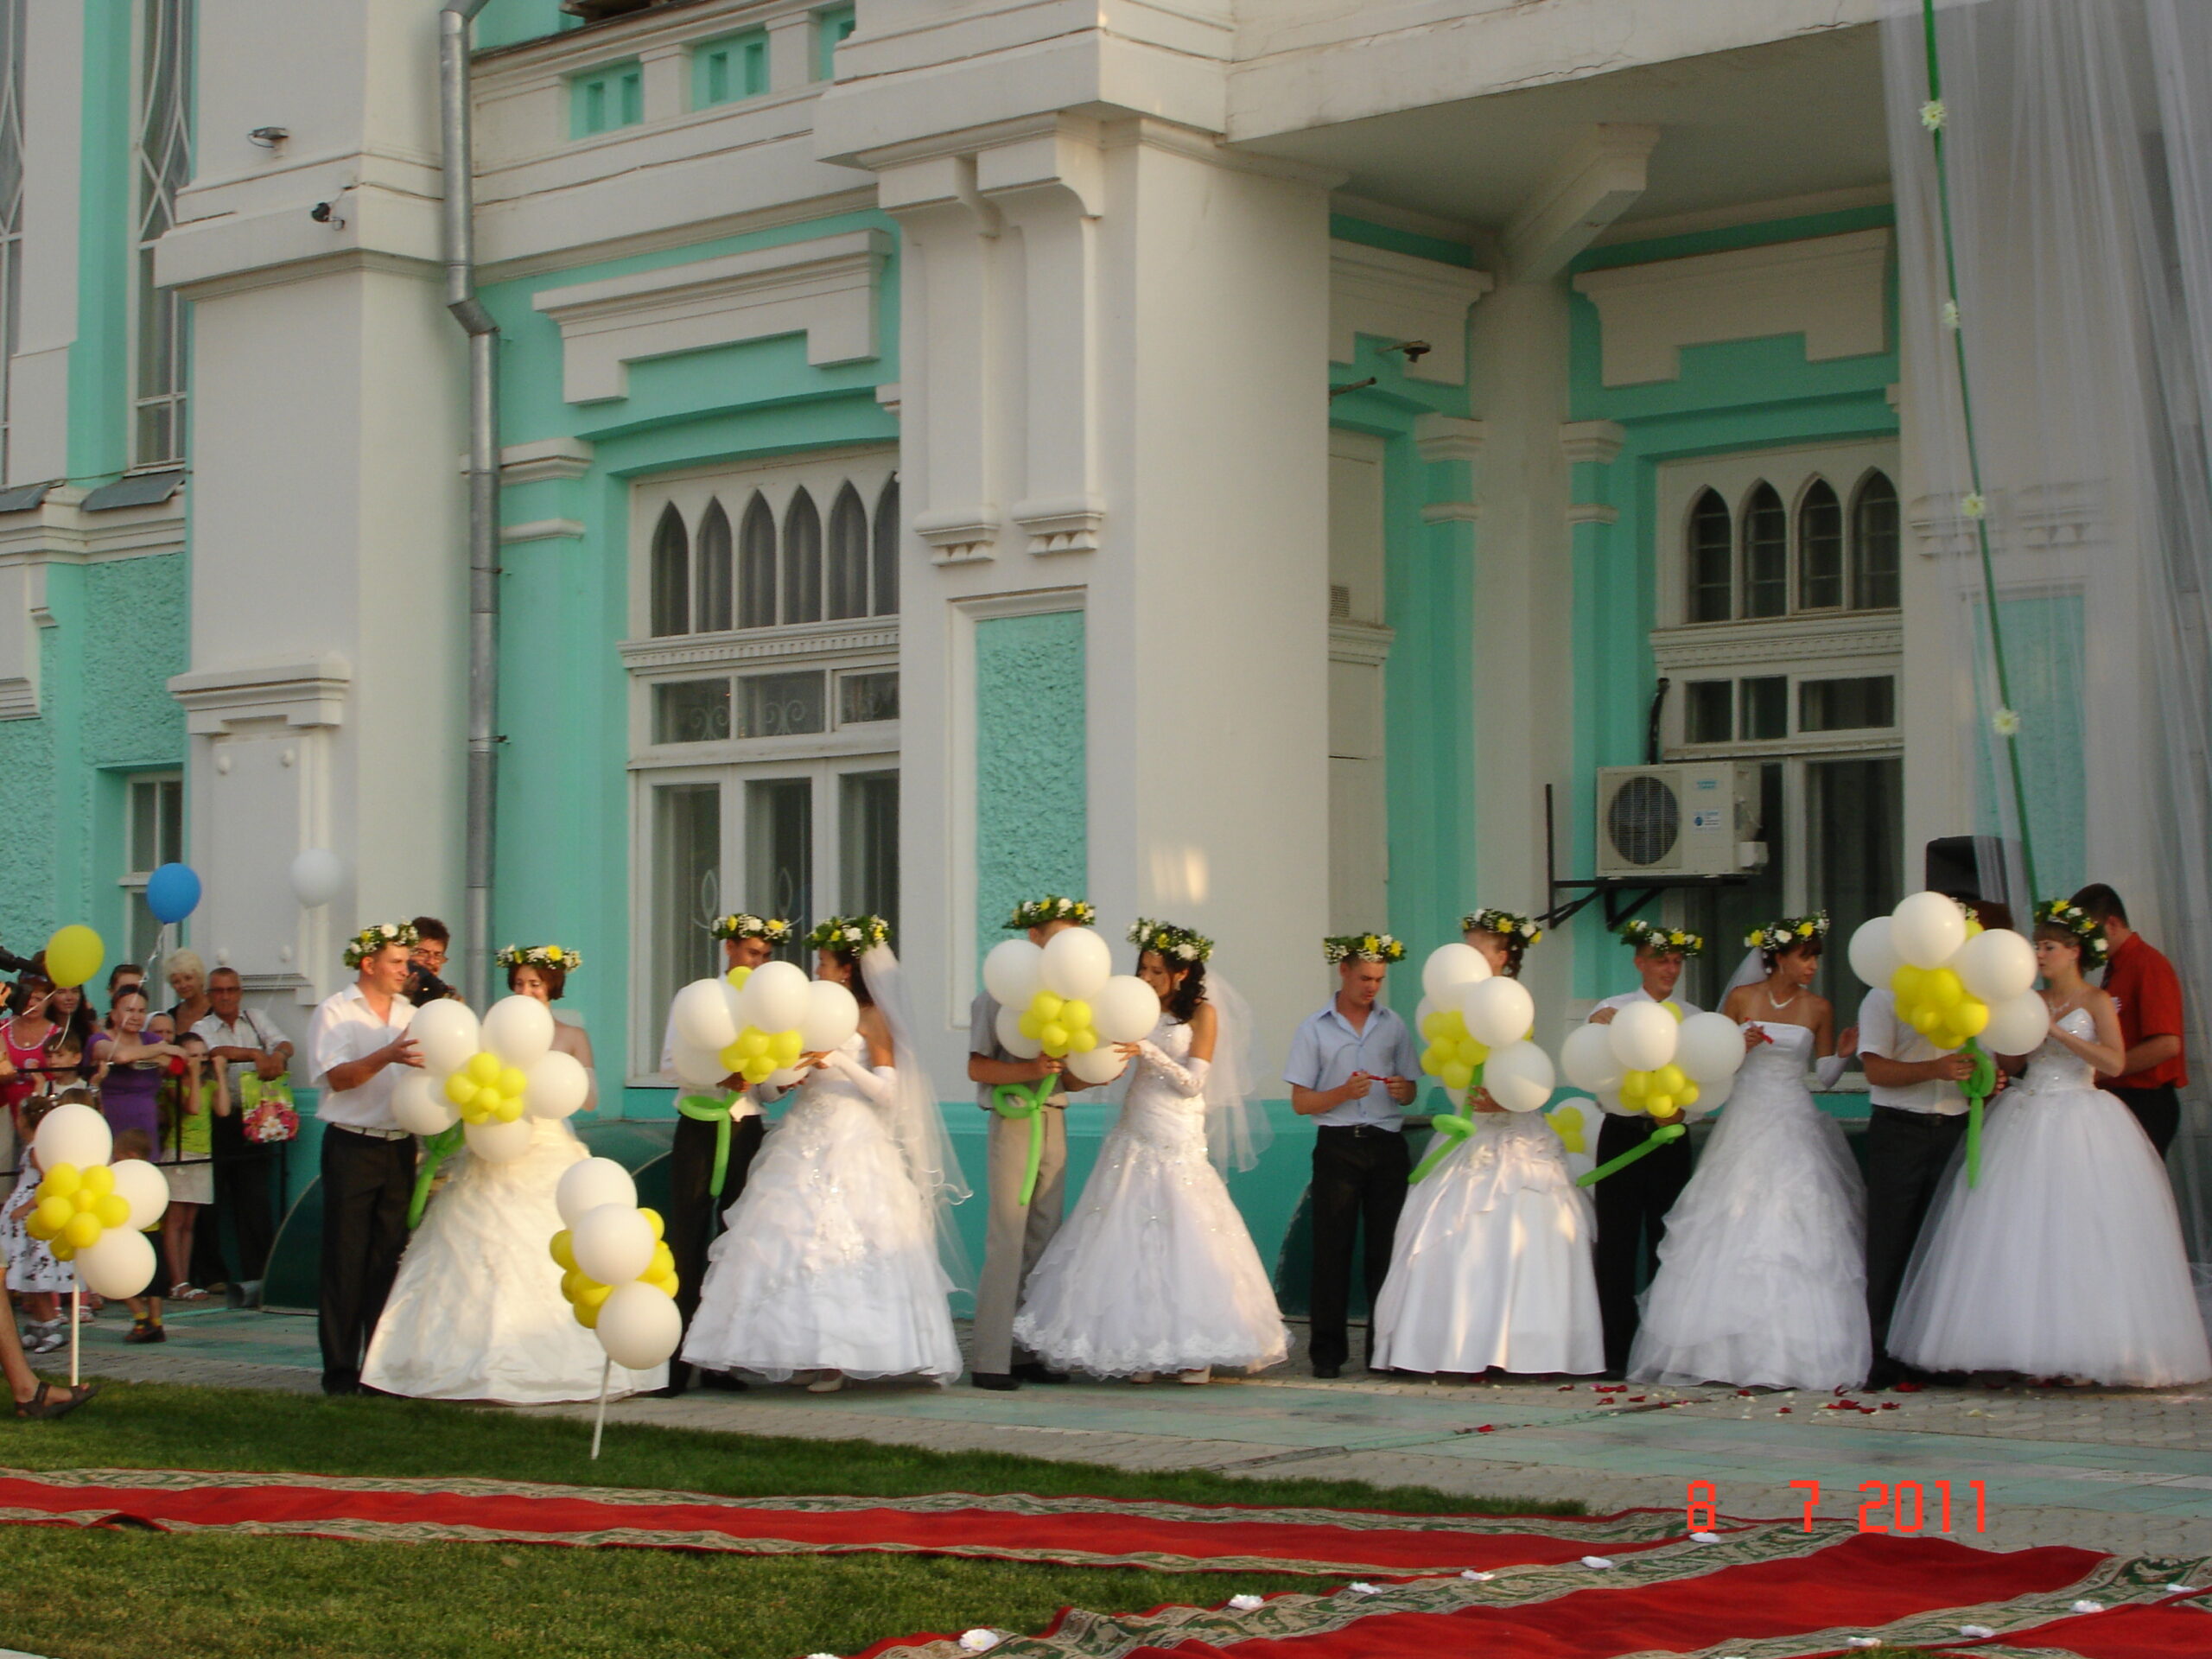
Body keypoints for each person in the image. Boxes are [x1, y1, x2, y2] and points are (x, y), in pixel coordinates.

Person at [1888, 901, 2210, 1387]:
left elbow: (2115, 1062)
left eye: (2049, 947)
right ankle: (2015, 1346)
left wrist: (2056, 1030)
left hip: (2081, 1111)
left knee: (2081, 1231)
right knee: (2015, 1230)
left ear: (2074, 952)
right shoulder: (2028, 999)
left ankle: (2090, 1350)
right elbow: (2014, 1063)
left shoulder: (2097, 1001)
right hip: (2028, 1108)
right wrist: (2001, 1040)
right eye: (2037, 946)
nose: (2040, 955)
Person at [363, 945, 664, 1401]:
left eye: (536, 984)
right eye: (520, 983)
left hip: (547, 1149)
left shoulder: (571, 1034)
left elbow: (588, 1100)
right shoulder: (493, 1032)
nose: (527, 991)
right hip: (493, 1148)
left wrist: (552, 1077)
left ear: (552, 988)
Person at [683, 917, 967, 1391]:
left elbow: (889, 1093)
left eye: (824, 962)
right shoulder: (805, 1013)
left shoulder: (872, 1018)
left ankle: (838, 1359)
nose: (816, 969)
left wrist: (838, 1062)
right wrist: (782, 1079)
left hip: (854, 1137)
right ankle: (801, 1352)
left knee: (844, 1239)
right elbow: (778, 1084)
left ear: (846, 970)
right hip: (803, 1132)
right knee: (792, 1239)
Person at [1014, 919, 1287, 1384]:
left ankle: (1193, 1352)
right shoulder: (1135, 1008)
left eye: (1157, 971)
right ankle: (1136, 1348)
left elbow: (1193, 1082)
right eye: (1143, 969)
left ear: (1181, 973)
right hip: (1135, 1127)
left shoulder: (1203, 1014)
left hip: (1177, 1130)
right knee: (1127, 1233)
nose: (1147, 979)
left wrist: (1148, 1051)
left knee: (1187, 1234)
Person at [1629, 913, 1870, 1389]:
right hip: (1746, 1115)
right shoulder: (1742, 1000)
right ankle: (1716, 1354)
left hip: (1792, 1116)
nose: (1813, 966)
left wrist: (1842, 1054)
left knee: (1797, 1225)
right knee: (1728, 1218)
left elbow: (1821, 1078)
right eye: (1805, 956)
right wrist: (1739, 1044)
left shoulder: (1818, 1007)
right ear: (1778, 957)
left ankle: (1792, 1355)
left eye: (1816, 958)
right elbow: (1714, 1063)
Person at [1371, 912, 1601, 1377]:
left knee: (1527, 1227)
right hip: (1469, 1126)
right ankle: (1450, 1344)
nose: (1471, 960)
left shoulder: (1515, 1002)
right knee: (1451, 1228)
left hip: (1515, 1129)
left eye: (1481, 951)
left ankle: (1530, 1346)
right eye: (1467, 950)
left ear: (1503, 957)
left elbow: (1527, 1068)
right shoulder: (1452, 1005)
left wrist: (1508, 1097)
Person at [658, 912, 794, 1395]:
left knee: (734, 1240)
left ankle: (719, 1357)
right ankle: (672, 1362)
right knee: (689, 1236)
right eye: (752, 953)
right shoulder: (699, 998)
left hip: (746, 1128)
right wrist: (720, 1077)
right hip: (699, 1123)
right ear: (730, 949)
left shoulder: (769, 1005)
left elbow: (771, 1086)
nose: (758, 964)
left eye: (765, 956)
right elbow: (672, 1062)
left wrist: (782, 1077)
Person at [1859, 898, 1988, 1391]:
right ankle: (1881, 1354)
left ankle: (1936, 1354)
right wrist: (1934, 1069)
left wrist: (1988, 1080)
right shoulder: (1883, 995)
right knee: (1890, 1242)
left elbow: (1991, 1052)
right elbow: (1874, 1069)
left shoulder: (1974, 991)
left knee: (1942, 1244)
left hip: (1953, 1125)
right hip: (1901, 1127)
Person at [969, 895, 1096, 1391]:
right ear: (1034, 938)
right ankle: (990, 1358)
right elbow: (978, 1067)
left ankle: (1029, 1349)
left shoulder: (1073, 998)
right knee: (1008, 1237)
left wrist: (1096, 1070)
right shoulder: (1000, 992)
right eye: (1054, 937)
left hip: (1054, 1117)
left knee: (1045, 1237)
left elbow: (1072, 1078)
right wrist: (1028, 1070)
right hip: (1014, 1116)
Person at [1286, 931, 1419, 1380]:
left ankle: (1384, 1350)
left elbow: (1410, 1087)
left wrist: (1404, 1090)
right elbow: (1301, 1102)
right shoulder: (1314, 1028)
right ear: (1343, 971)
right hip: (1339, 1145)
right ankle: (1327, 1354)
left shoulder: (1393, 1025)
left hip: (1386, 1144)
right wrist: (1343, 1092)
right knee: (1332, 1250)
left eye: (1379, 979)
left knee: (1386, 1251)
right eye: (1364, 977)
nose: (1371, 987)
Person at [305, 922, 423, 1396]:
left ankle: (377, 1368)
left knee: (388, 1258)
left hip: (398, 1146)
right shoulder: (335, 1011)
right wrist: (388, 1054)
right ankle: (338, 1369)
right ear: (368, 964)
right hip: (352, 1145)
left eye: (406, 961)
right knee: (345, 1258)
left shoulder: (411, 1013)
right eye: (396, 962)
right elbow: (338, 1078)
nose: (405, 970)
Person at [1584, 919, 1706, 1377]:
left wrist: (1681, 1116)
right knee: (1615, 1243)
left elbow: (1705, 1080)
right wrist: (1601, 1028)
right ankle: (1612, 1353)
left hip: (1670, 1137)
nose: (1670, 969)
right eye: (1661, 960)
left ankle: (1660, 1349)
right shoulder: (1612, 1009)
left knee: (1666, 1241)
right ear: (1639, 963)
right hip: (1621, 1132)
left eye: (1676, 961)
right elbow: (1593, 1069)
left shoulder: (1693, 1018)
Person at [193, 969, 292, 1308]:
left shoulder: (255, 1018)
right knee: (210, 1201)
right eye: (218, 991)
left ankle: (259, 1273)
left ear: (239, 992)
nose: (225, 996)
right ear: (209, 995)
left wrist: (276, 1055)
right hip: (218, 1119)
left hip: (256, 1117)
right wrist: (254, 1055)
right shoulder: (201, 1027)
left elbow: (285, 1042)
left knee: (255, 1200)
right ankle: (212, 1275)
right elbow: (215, 1052)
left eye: (232, 990)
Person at [2068, 884, 2186, 1159]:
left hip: (2145, 1098)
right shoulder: (2116, 967)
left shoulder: (2148, 964)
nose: (2085, 943)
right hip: (2120, 1097)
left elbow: (2167, 1044)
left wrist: (2104, 1069)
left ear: (2112, 923)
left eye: (2089, 932)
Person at [3, 1095, 75, 1355]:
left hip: (33, 1222)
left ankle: (50, 1325)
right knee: (25, 1277)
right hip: (21, 1225)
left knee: (36, 1276)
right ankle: (35, 1326)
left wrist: (24, 1207)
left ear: (25, 1121)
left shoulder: (38, 1151)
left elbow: (47, 1184)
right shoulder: (32, 1149)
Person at [149, 1017, 215, 1301]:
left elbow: (222, 1109)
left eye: (203, 1056)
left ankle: (185, 1278)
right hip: (179, 1155)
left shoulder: (208, 1084)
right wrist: (187, 1072)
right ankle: (175, 1280)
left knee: (190, 1221)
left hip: (203, 1155)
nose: (199, 1062)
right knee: (175, 1220)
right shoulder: (174, 1086)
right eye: (193, 1056)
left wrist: (220, 1075)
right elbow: (193, 1107)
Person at [406, 917, 461, 1007]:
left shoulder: (445, 997)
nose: (431, 962)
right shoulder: (389, 997)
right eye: (422, 953)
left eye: (437, 955)